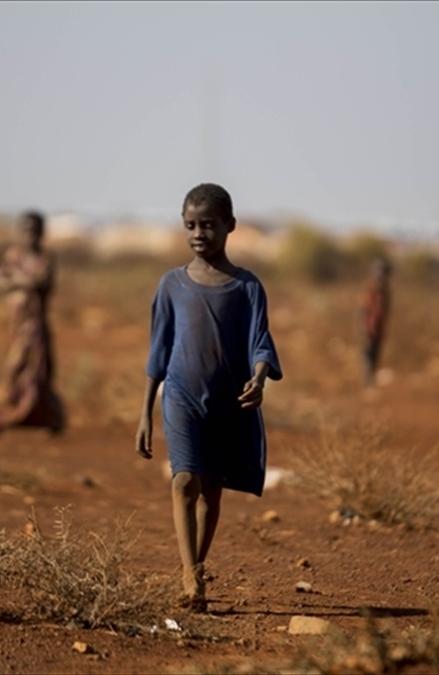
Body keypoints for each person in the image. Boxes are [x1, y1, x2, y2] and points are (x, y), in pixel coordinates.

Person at [135, 183, 283, 612]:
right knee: (183, 479)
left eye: (208, 225)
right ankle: (188, 576)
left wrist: (259, 379)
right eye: (190, 226)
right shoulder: (171, 286)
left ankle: (197, 567)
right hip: (180, 395)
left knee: (210, 490)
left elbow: (261, 342)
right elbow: (158, 351)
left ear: (230, 226)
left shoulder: (247, 287)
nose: (199, 234)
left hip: (226, 401)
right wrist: (145, 412)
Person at [0, 210, 66, 435]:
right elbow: (0, 280)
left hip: (35, 324)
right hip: (16, 322)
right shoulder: (13, 255)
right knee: (16, 369)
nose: (28, 236)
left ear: (40, 233)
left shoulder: (45, 258)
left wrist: (17, 279)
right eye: (24, 230)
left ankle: (34, 417)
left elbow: (40, 281)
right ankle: (18, 413)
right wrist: (19, 280)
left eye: (33, 231)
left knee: (34, 368)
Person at [359, 256, 392, 388]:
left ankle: (370, 379)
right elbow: (363, 308)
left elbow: (385, 311)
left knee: (375, 353)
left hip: (378, 327)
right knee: (368, 353)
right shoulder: (370, 288)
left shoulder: (386, 291)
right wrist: (363, 327)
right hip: (369, 326)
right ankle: (368, 381)